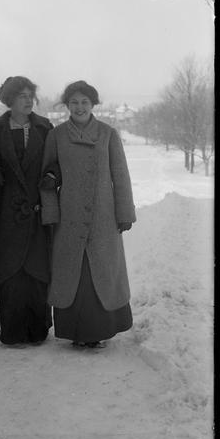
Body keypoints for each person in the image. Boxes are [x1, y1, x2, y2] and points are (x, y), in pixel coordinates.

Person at [40, 80, 136, 349]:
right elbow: (46, 176)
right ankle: (75, 332)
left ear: (93, 105)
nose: (79, 107)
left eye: (84, 102)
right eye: (74, 102)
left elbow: (121, 176)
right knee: (73, 275)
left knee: (102, 272)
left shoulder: (108, 134)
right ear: (67, 106)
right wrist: (51, 213)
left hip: (103, 218)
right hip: (69, 219)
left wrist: (124, 211)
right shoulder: (56, 135)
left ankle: (99, 332)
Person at [0, 76, 53, 346]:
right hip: (7, 214)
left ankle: (38, 330)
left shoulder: (44, 127)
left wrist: (51, 176)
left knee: (37, 272)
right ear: (9, 100)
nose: (27, 100)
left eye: (30, 95)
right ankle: (12, 332)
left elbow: (54, 162)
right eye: (21, 95)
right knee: (11, 274)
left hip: (36, 214)